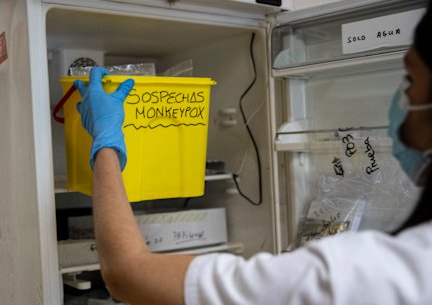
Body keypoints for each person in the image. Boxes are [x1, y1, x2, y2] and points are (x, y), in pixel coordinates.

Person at [72, 3, 432, 304]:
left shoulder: (360, 275)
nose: (400, 98)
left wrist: (106, 140)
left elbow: (125, 273)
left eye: (411, 81)